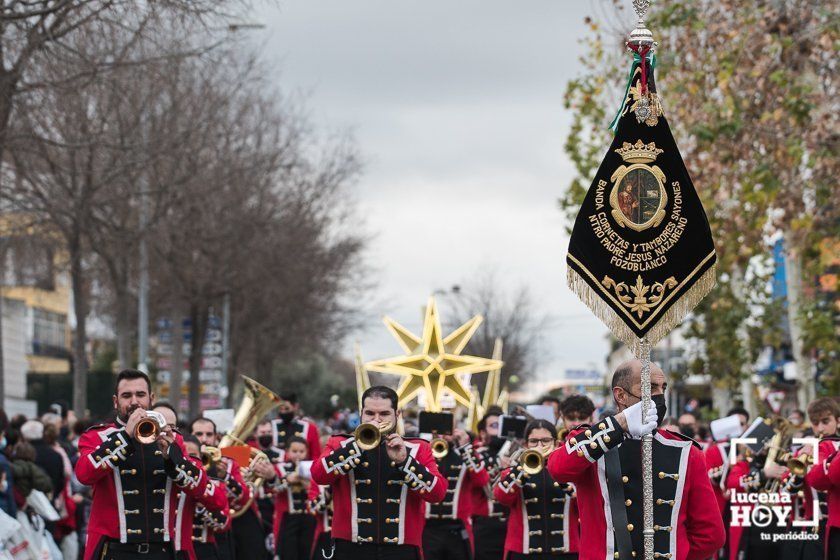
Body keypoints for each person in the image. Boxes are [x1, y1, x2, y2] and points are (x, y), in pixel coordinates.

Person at [547, 359, 725, 560]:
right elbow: (558, 469)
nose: (658, 395)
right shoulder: (592, 443)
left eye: (662, 388)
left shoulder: (685, 450)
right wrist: (618, 424)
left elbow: (711, 535)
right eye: (649, 388)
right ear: (620, 395)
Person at [75, 369, 213, 560]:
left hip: (161, 552)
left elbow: (200, 487)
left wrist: (171, 455)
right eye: (126, 396)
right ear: (116, 402)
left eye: (140, 395)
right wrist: (124, 436)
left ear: (151, 399)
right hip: (116, 551)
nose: (134, 402)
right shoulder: (96, 437)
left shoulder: (174, 438)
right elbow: (84, 474)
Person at [311, 385, 447, 559]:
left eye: (384, 414)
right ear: (361, 414)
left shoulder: (418, 448)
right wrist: (356, 447)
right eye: (370, 414)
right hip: (350, 549)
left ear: (397, 415)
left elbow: (438, 493)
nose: (376, 420)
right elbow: (318, 475)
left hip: (400, 550)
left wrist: (404, 461)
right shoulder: (340, 444)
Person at [494, 419, 579, 559]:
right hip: (524, 552)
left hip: (565, 552)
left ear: (556, 443)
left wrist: (557, 468)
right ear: (525, 444)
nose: (539, 446)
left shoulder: (570, 471)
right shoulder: (514, 471)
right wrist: (523, 468)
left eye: (545, 440)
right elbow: (502, 497)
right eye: (534, 441)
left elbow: (580, 503)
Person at [152, 404, 227, 560]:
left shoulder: (188, 464)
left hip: (181, 552)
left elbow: (219, 502)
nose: (164, 431)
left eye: (170, 427)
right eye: (157, 425)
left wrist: (179, 462)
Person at [422, 418, 489, 560]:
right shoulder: (425, 453)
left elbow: (481, 480)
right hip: (428, 528)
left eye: (447, 431)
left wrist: (466, 447)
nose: (443, 436)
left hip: (457, 528)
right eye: (439, 432)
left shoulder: (465, 454)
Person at [190, 417, 251, 560]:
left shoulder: (228, 463)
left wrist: (226, 477)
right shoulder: (183, 461)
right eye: (199, 434)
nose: (204, 439)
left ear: (216, 437)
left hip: (218, 537)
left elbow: (243, 499)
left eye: (209, 434)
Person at [704, 407, 749, 560]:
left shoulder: (753, 450)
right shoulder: (714, 451)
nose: (739, 428)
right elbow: (709, 478)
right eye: (735, 423)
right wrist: (727, 467)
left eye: (742, 424)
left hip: (745, 506)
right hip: (721, 506)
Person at [801, 397, 840, 560]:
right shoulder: (821, 446)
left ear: (838, 421)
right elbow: (817, 480)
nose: (821, 428)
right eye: (816, 423)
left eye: (826, 421)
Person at [471, 406, 508, 560]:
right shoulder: (475, 455)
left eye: (502, 426)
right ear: (483, 433)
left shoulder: (519, 453)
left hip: (511, 523)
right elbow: (486, 487)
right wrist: (501, 465)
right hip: (485, 525)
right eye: (494, 426)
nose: (499, 431)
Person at [270, 436, 315, 560]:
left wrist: (307, 483)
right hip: (289, 517)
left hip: (308, 516)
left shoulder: (311, 467)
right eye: (294, 451)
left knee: (307, 551)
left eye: (302, 451)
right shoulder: (280, 467)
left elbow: (317, 489)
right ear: (287, 452)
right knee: (288, 552)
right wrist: (287, 480)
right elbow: (275, 489)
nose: (298, 455)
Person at [272, 393, 322, 459]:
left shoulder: (310, 428)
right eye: (281, 409)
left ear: (295, 406)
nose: (283, 412)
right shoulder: (271, 427)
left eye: (286, 409)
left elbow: (316, 456)